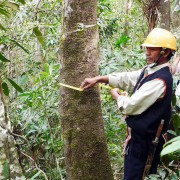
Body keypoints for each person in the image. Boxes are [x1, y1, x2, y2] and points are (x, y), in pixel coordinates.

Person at [80, 28, 177, 180]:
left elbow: (131, 106)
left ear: (165, 53)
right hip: (137, 140)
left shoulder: (160, 81)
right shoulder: (150, 70)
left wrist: (117, 97)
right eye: (147, 48)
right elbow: (128, 78)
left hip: (145, 144)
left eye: (152, 49)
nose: (147, 53)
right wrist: (99, 79)